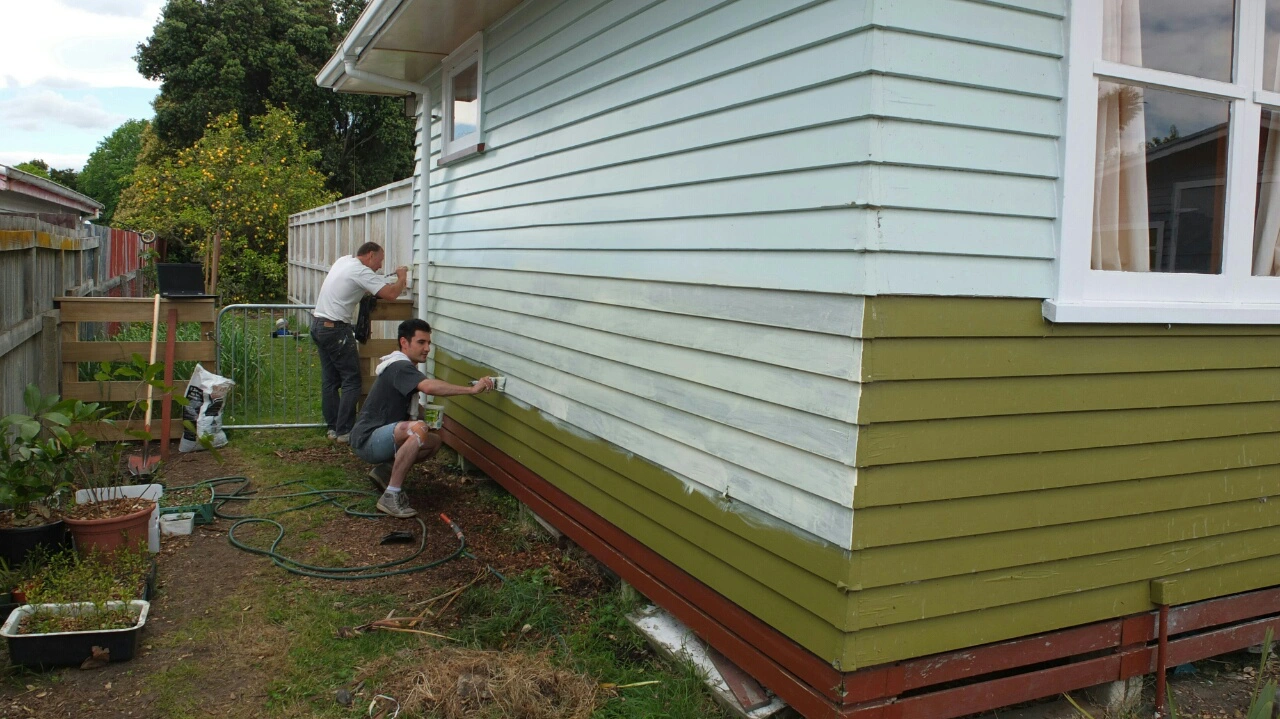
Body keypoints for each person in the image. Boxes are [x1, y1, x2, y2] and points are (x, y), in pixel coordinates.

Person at [351, 318, 494, 517]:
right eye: (421, 342)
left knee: (433, 442)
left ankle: (385, 472)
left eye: (429, 343)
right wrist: (471, 389)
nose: (427, 348)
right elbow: (427, 387)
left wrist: (427, 416)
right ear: (404, 342)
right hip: (367, 440)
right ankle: (391, 496)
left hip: (381, 437)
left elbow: (408, 405)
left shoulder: (404, 367)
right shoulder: (399, 366)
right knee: (417, 429)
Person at [311, 242, 407, 443]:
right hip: (336, 329)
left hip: (319, 324)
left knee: (330, 380)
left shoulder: (344, 261)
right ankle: (345, 431)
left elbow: (353, 288)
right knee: (352, 380)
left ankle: (333, 428)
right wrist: (401, 277)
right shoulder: (360, 271)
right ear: (370, 255)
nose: (380, 266)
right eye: (379, 260)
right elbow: (391, 294)